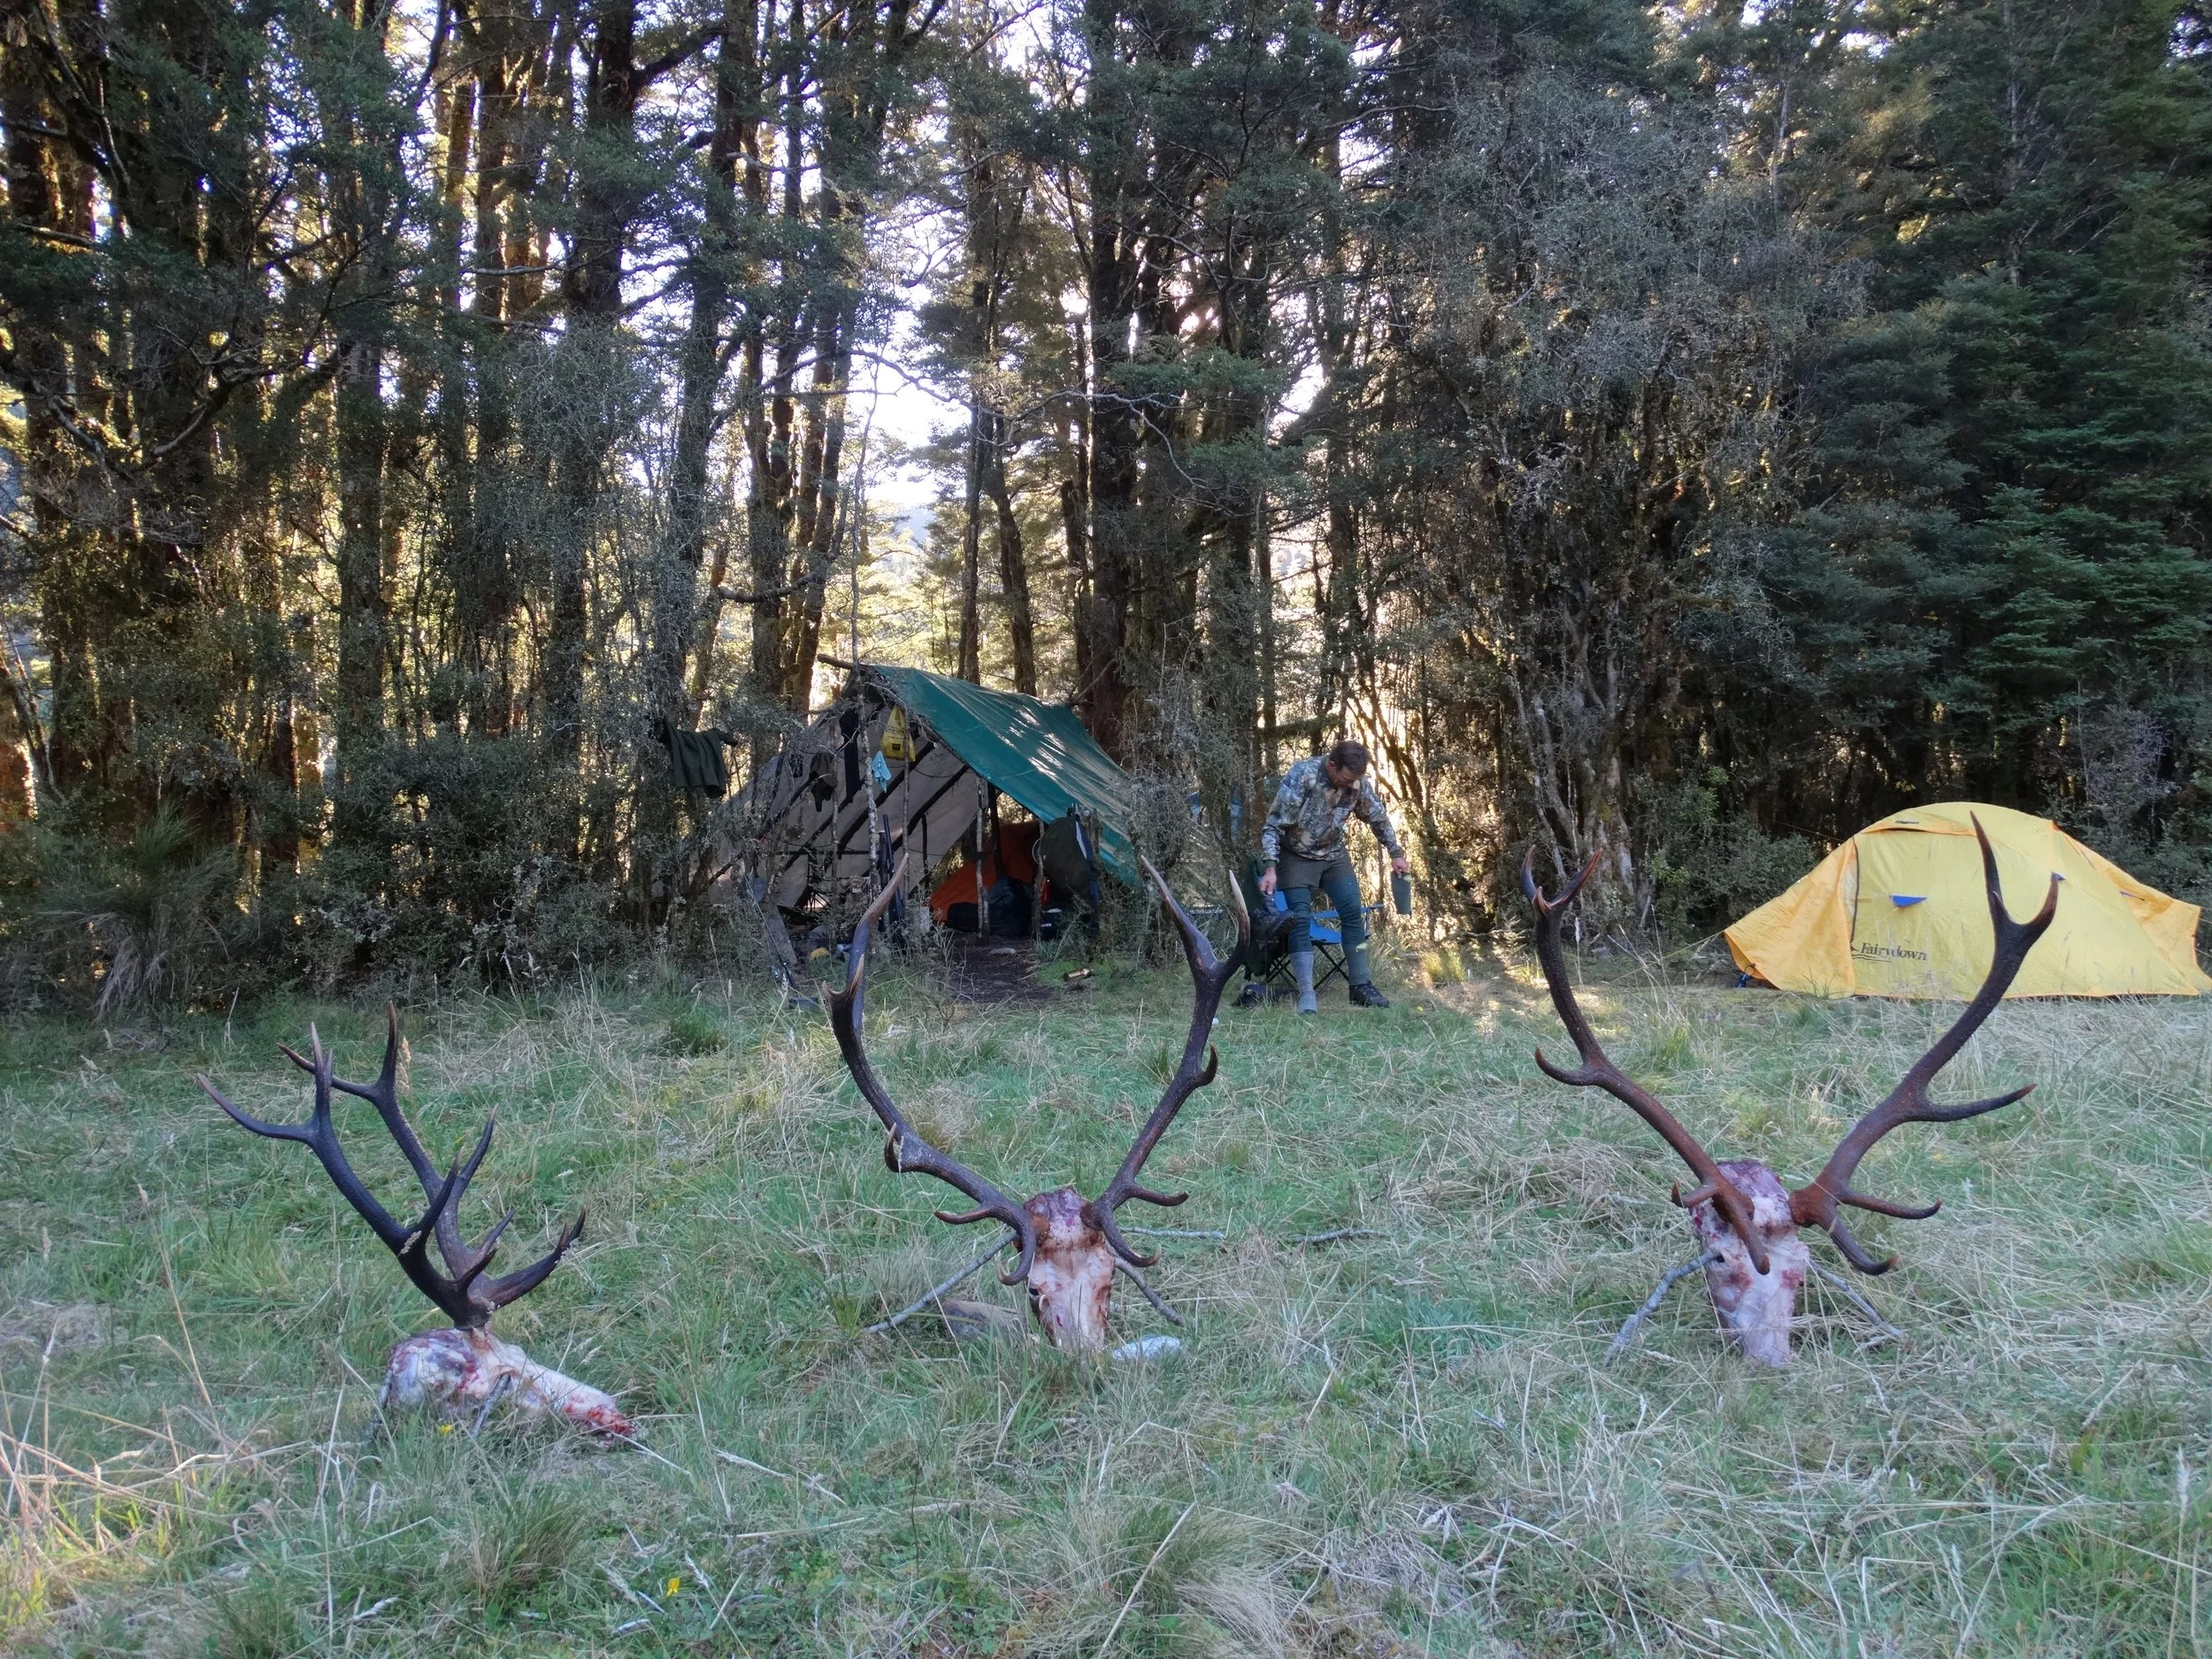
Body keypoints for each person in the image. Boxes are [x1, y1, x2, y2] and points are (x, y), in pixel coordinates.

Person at [1258, 740, 1409, 1013]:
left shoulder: (1357, 783)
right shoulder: (1303, 775)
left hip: (1333, 855)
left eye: (1356, 778)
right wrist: (1270, 867)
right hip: (1296, 856)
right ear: (1331, 765)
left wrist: (1395, 852)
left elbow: (1377, 816)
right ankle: (1306, 994)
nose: (1349, 784)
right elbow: (1273, 825)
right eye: (1345, 777)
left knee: (1352, 911)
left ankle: (1361, 986)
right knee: (1300, 918)